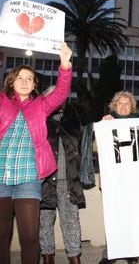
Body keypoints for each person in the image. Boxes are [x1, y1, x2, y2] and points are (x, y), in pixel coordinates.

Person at [0, 43, 72, 264]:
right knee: (1, 235)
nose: (24, 81)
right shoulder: (2, 102)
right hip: (0, 176)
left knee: (30, 235)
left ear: (34, 85)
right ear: (11, 81)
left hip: (29, 177)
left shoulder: (40, 105)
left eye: (29, 78)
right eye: (20, 77)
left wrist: (65, 64)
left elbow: (60, 93)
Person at [40, 103, 85, 264]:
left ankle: (74, 257)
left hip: (68, 179)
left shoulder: (73, 122)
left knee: (71, 219)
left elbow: (86, 140)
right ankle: (47, 256)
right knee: (44, 219)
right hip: (44, 180)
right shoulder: (39, 119)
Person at [99, 91, 139, 264]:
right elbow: (94, 148)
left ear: (132, 107)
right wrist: (100, 127)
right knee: (112, 217)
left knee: (132, 216)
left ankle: (131, 250)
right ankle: (111, 252)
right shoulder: (105, 122)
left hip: (134, 178)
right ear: (114, 106)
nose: (123, 107)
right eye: (120, 104)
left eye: (127, 103)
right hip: (111, 179)